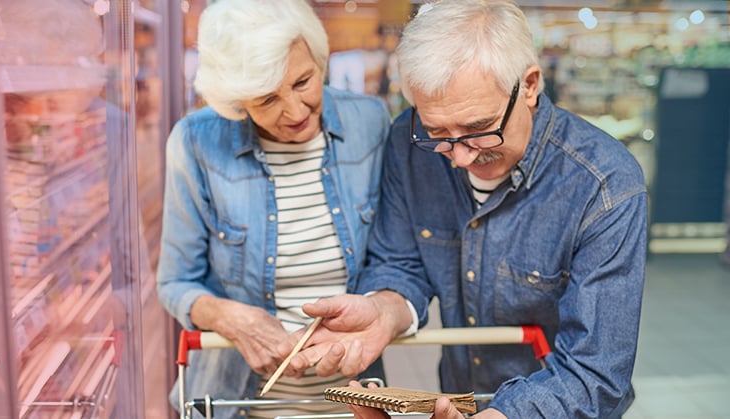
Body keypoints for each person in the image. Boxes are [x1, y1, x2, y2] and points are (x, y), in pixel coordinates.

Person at [281, 1, 648, 418]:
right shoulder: (408, 143)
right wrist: (384, 308)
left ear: (529, 85)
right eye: (437, 131)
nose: (459, 157)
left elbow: (596, 375)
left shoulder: (603, 184)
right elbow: (401, 262)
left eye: (478, 130)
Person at [155, 0, 391, 418]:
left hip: (354, 394)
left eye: (303, 81)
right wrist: (230, 317)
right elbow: (175, 283)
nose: (296, 112)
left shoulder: (369, 122)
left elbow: (394, 258)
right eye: (266, 100)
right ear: (236, 103)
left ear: (320, 58)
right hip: (237, 399)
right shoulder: (196, 142)